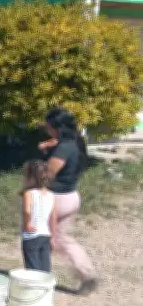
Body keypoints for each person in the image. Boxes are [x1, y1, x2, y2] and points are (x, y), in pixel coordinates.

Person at [39, 107, 98, 294]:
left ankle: (38, 278)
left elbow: (47, 175)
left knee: (41, 239)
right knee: (62, 239)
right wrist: (49, 146)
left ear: (57, 127)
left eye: (49, 127)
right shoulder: (73, 142)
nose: (47, 129)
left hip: (56, 200)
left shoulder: (63, 148)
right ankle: (87, 275)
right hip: (71, 197)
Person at [19, 159, 57, 272]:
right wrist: (53, 237)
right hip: (45, 235)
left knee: (33, 270)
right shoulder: (51, 194)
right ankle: (46, 287)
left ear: (30, 177)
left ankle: (35, 288)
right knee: (45, 268)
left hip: (31, 236)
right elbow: (53, 217)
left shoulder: (29, 194)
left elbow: (27, 211)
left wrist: (27, 224)